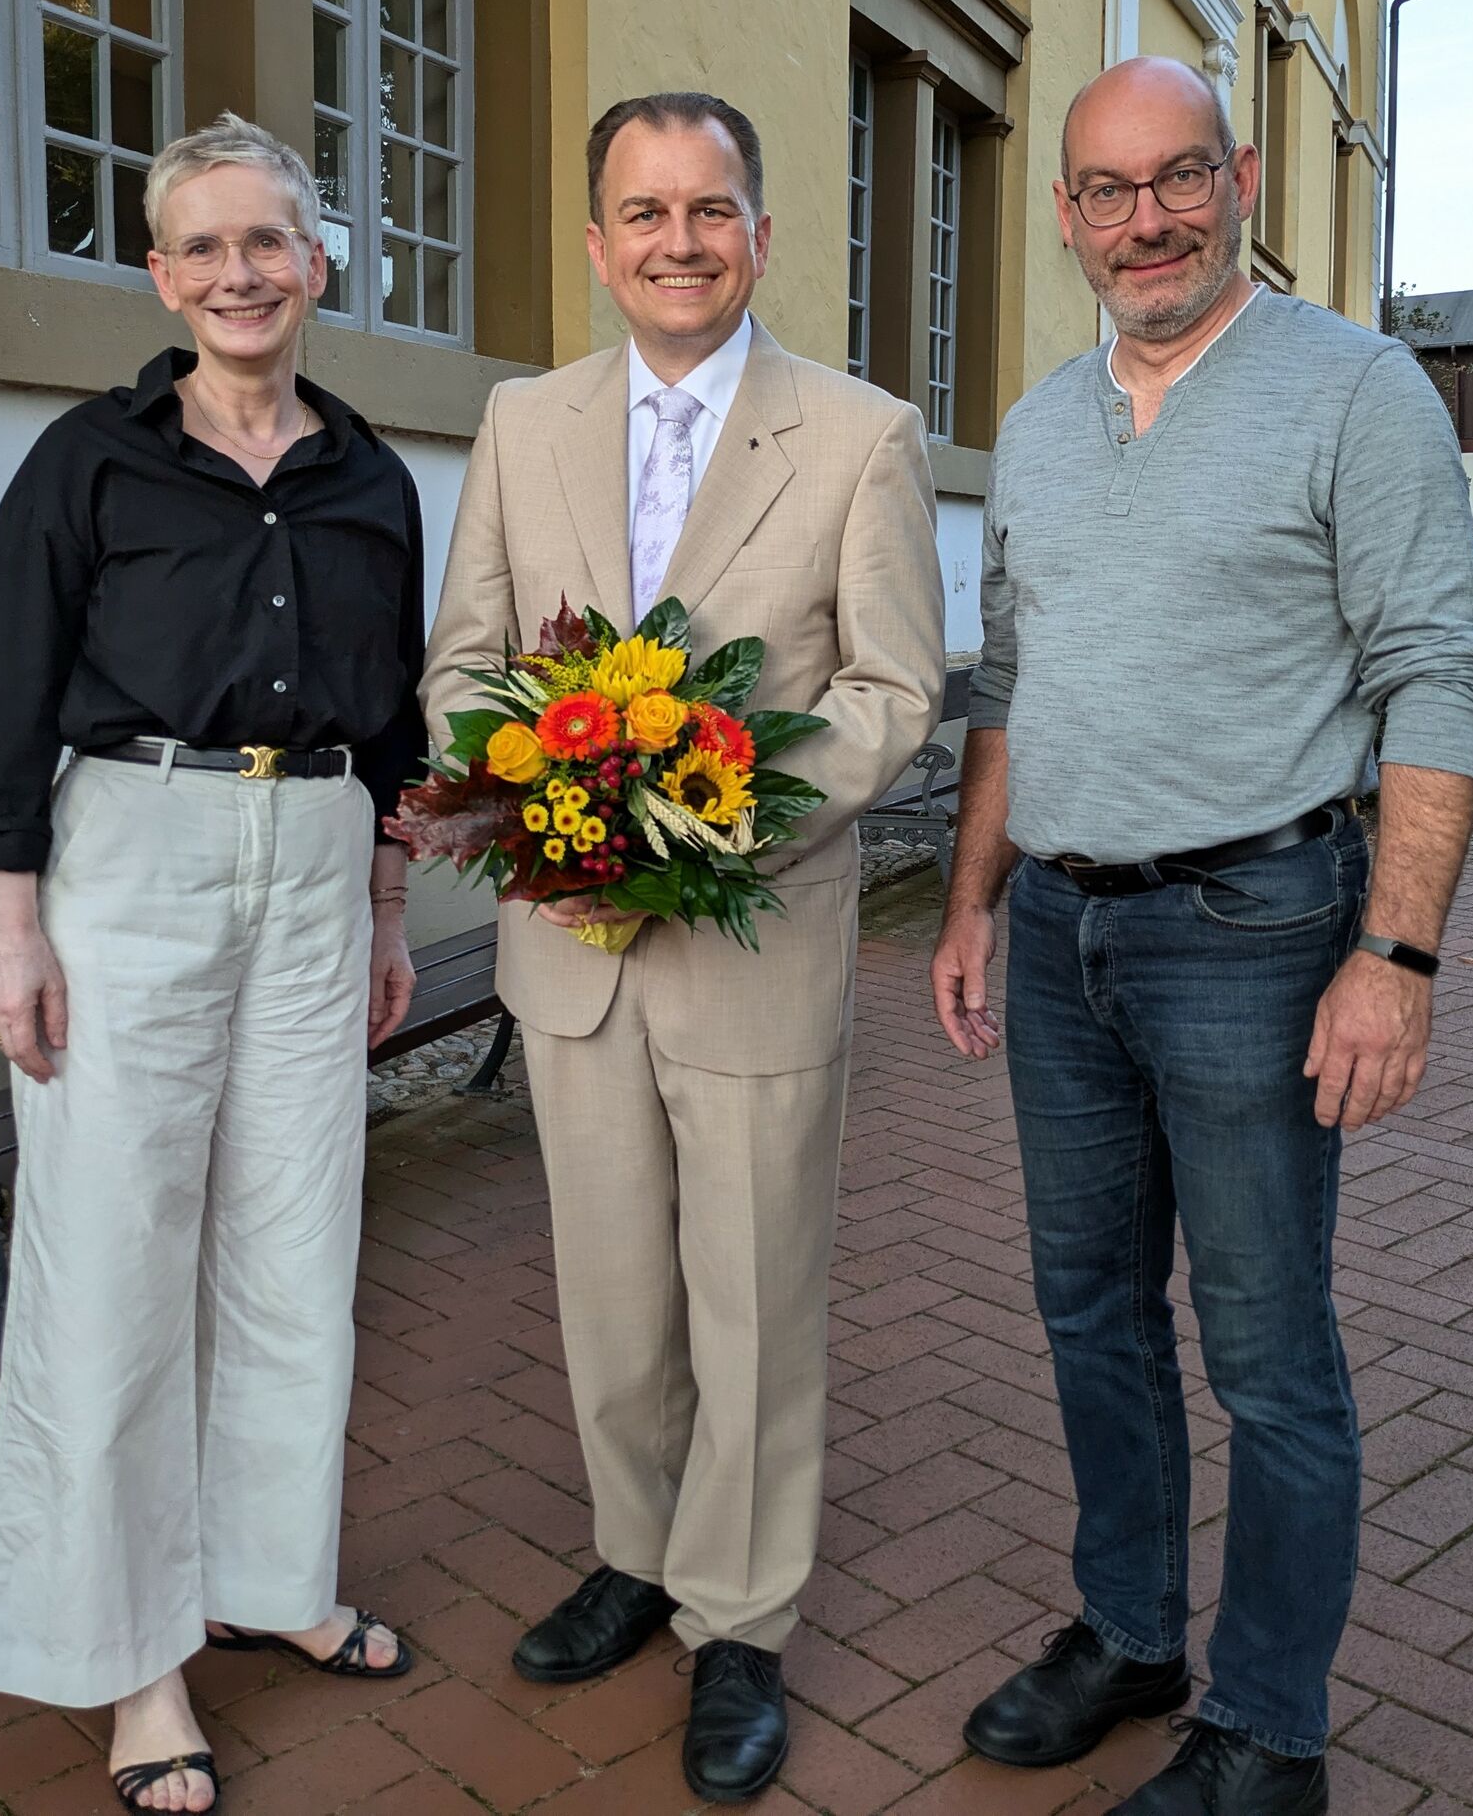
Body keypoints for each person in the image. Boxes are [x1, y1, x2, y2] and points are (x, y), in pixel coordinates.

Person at [929, 58, 1473, 1816]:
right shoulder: (1036, 422)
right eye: (1106, 191)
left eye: (1177, 179)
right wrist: (969, 893)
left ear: (1239, 177)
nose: (1145, 219)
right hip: (1059, 937)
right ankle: (1130, 1634)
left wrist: (1394, 958)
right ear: (1065, 215)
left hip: (1260, 928)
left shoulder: (1357, 391)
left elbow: (1437, 676)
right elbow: (1016, 685)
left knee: (1266, 1352)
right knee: (1090, 1310)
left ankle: (1268, 1732)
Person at [423, 92, 943, 1803]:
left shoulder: (861, 433)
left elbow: (891, 692)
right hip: (571, 943)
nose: (677, 241)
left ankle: (740, 1619)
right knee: (611, 1294)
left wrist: (717, 810)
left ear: (763, 234)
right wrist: (542, 792)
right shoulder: (522, 420)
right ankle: (635, 1554)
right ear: (597, 243)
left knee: (751, 1295)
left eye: (709, 209)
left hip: (751, 936)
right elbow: (465, 662)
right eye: (642, 213)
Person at [0, 114, 426, 1815]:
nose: (239, 272)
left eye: (269, 242)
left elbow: (396, 723)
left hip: (309, 867)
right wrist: (12, 932)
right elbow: (7, 702)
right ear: (161, 272)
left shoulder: (371, 475)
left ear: (316, 261)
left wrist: (380, 909)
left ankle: (269, 1578)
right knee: (116, 1261)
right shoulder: (88, 461)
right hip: (131, 862)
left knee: (299, 1247)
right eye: (203, 246)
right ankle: (134, 1661)